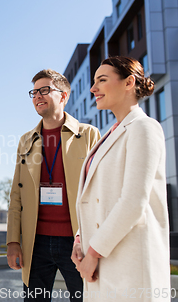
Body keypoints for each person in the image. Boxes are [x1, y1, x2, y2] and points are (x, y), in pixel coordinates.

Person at [72, 56, 170, 301]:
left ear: (129, 83)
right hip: (102, 262)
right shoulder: (110, 134)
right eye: (93, 82)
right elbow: (95, 198)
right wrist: (80, 239)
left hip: (127, 263)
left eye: (101, 80)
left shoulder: (144, 127)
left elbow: (133, 202)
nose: (93, 89)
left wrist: (93, 253)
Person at [6, 69, 100, 301]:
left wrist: (97, 243)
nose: (38, 96)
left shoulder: (89, 135)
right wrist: (12, 240)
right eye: (34, 92)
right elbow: (16, 194)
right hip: (35, 241)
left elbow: (100, 191)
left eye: (45, 90)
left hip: (77, 241)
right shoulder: (26, 140)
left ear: (64, 95)